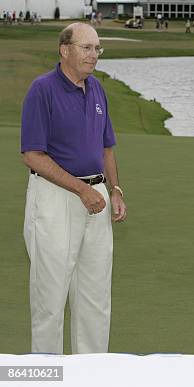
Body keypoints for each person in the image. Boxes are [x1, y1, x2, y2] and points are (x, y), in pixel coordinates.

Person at [21, 22, 127, 354]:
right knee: (50, 300)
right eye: (87, 48)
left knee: (95, 298)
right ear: (64, 50)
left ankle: (91, 375)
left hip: (98, 200)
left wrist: (116, 189)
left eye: (97, 49)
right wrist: (81, 191)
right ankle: (47, 375)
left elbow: (105, 148)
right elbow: (33, 155)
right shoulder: (42, 90)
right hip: (55, 200)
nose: (94, 55)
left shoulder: (97, 89)